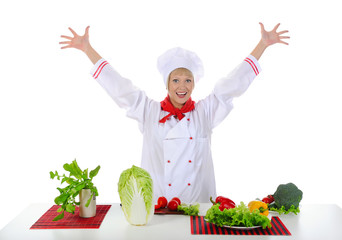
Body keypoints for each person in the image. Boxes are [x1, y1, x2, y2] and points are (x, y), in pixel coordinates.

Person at [59, 23, 289, 203]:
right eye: (176, 80)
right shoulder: (148, 111)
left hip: (198, 207)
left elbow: (232, 85)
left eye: (188, 80)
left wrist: (263, 45)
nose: (182, 86)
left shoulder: (205, 112)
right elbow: (119, 87)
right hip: (158, 208)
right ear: (167, 84)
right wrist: (87, 49)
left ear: (194, 84)